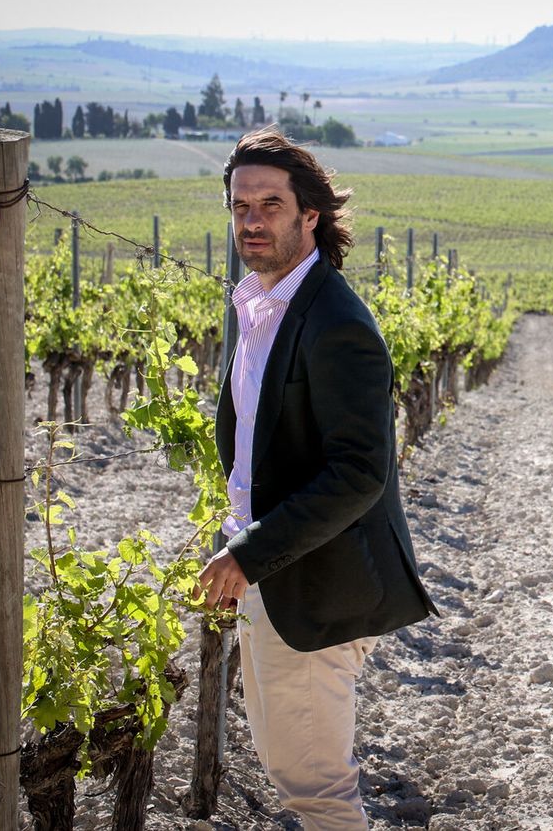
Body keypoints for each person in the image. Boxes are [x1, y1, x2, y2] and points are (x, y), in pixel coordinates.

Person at [197, 126, 436, 830]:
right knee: (292, 769)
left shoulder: (336, 323)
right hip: (273, 567)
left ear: (310, 216)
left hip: (313, 580)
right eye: (240, 206)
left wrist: (251, 550)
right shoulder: (259, 306)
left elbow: (360, 472)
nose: (252, 221)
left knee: (315, 786)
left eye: (270, 204)